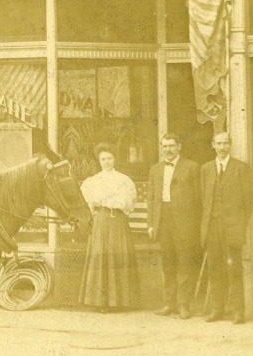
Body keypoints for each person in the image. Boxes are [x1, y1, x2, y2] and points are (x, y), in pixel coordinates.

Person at [200, 132, 253, 325]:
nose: (222, 147)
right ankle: (217, 309)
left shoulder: (241, 168)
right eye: (218, 143)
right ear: (212, 145)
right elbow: (204, 198)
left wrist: (239, 222)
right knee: (215, 269)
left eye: (225, 143)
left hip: (232, 228)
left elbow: (250, 200)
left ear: (230, 145)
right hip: (212, 228)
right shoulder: (206, 169)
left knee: (234, 269)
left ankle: (238, 311)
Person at [78, 143, 140, 313]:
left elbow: (131, 202)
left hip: (119, 221)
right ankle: (102, 302)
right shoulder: (92, 181)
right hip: (101, 221)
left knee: (119, 257)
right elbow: (87, 204)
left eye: (109, 158)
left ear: (115, 159)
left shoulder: (124, 180)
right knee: (102, 259)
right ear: (99, 161)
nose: (106, 162)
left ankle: (121, 300)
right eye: (103, 159)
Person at [147, 132, 202, 319]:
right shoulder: (155, 169)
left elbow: (198, 199)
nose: (168, 150)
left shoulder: (192, 167)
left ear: (179, 147)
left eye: (171, 146)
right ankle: (169, 303)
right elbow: (152, 198)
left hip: (185, 222)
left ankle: (183, 304)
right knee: (168, 263)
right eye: (165, 146)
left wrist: (195, 224)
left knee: (185, 263)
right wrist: (151, 224)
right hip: (163, 220)